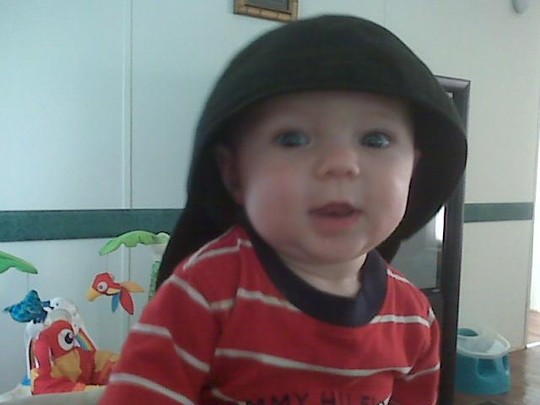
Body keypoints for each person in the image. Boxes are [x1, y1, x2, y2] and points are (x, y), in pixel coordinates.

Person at [100, 15, 467, 405]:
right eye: (293, 139)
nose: (340, 164)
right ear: (234, 174)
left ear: (414, 171)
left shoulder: (413, 316)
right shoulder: (204, 294)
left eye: (376, 139)